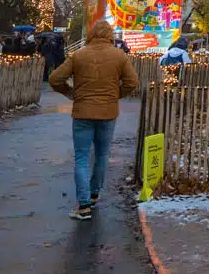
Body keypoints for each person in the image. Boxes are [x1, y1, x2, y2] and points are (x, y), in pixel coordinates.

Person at [48, 20, 140, 220]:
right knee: (102, 155)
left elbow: (55, 78)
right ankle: (94, 194)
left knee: (81, 158)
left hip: (82, 113)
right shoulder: (119, 56)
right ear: (109, 35)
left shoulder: (79, 55)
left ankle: (83, 206)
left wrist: (71, 93)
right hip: (108, 113)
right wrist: (115, 95)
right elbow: (133, 82)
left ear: (91, 34)